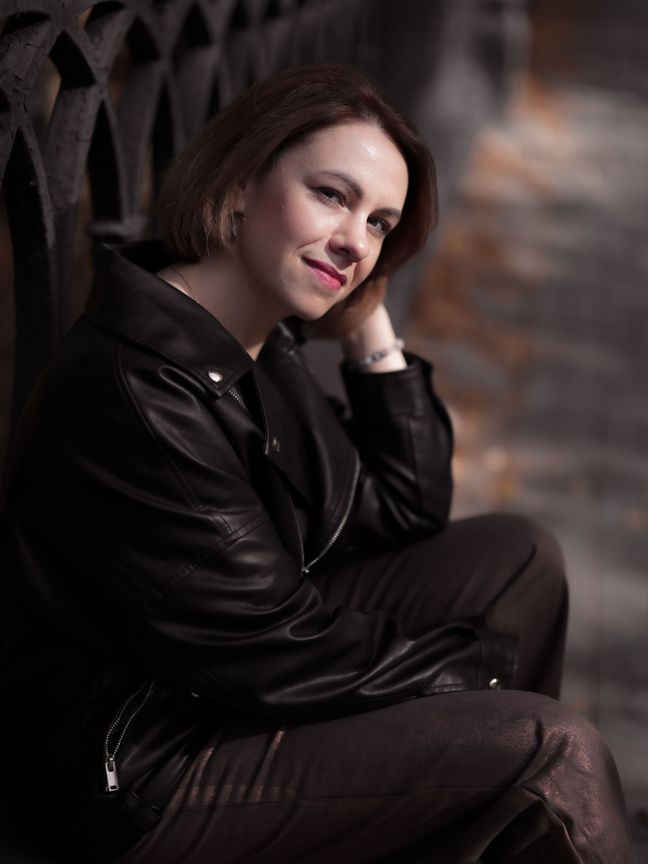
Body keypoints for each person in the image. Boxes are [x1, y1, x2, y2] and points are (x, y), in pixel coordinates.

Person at [1, 64, 635, 864]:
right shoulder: (143, 391)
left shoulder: (250, 333)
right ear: (239, 183)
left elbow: (402, 507)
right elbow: (277, 651)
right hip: (139, 765)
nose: (355, 242)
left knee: (520, 559)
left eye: (380, 224)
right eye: (332, 196)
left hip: (216, 677)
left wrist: (368, 322)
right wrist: (480, 670)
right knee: (552, 751)